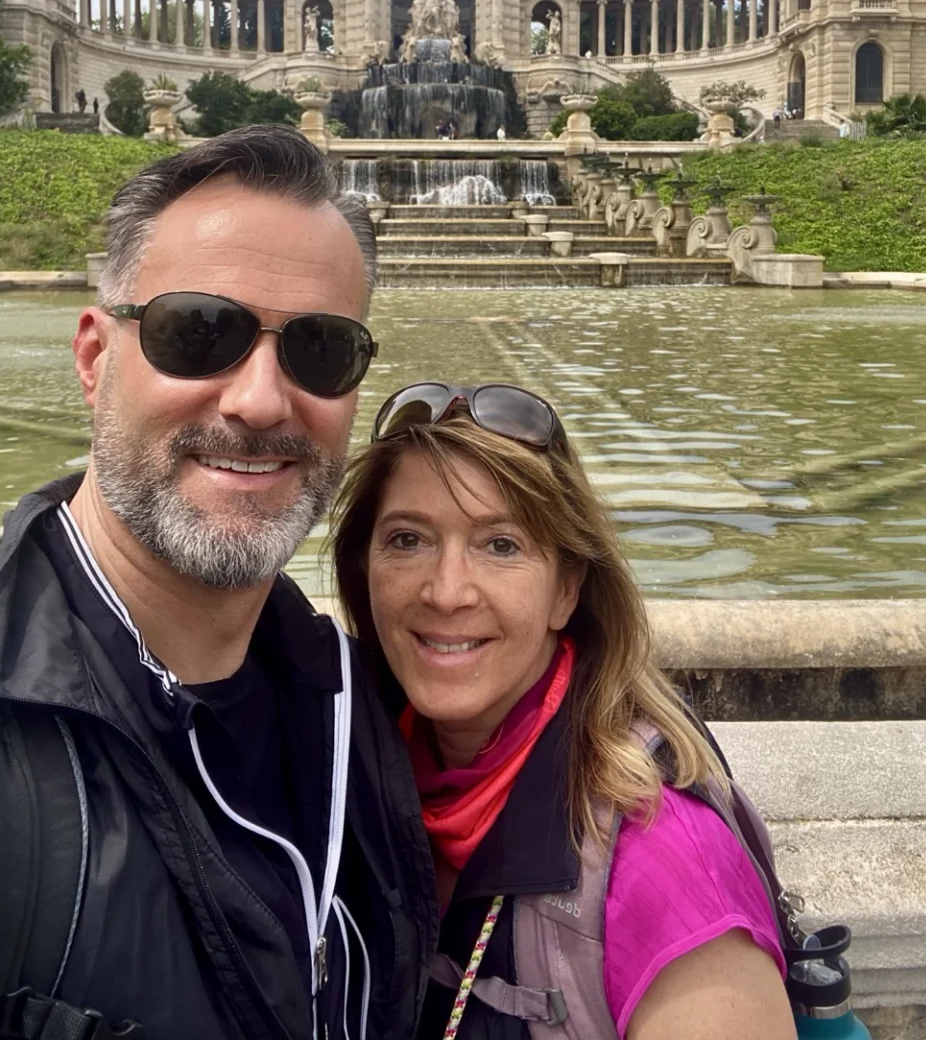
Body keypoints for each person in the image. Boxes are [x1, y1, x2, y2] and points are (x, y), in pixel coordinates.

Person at [0, 126, 436, 1039]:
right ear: (93, 357)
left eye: (320, 349)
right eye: (199, 332)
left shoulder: (361, 704)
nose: (261, 401)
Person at [330, 383, 795, 1040]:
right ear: (364, 571)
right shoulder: (349, 770)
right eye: (408, 539)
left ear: (567, 590)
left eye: (500, 545)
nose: (445, 591)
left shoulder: (665, 860)